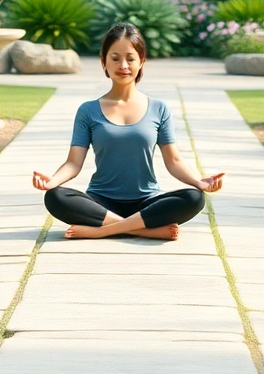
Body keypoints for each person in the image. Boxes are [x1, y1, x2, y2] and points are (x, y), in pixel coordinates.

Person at [33, 23, 225, 240]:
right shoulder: (88, 111)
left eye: (130, 58)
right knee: (55, 196)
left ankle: (103, 231)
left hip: (147, 202)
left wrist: (199, 183)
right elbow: (73, 163)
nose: (123, 65)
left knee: (194, 197)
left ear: (141, 60)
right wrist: (52, 181)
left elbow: (174, 161)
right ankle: (142, 230)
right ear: (103, 61)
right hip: (101, 202)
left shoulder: (158, 108)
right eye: (115, 58)